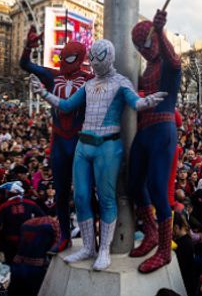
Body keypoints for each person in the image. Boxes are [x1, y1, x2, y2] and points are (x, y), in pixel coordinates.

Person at [30, 39, 167, 271]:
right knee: (81, 197)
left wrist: (148, 102)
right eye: (91, 60)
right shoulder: (89, 84)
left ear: (109, 58)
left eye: (97, 60)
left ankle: (104, 249)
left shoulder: (121, 83)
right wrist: (43, 93)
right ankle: (88, 247)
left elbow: (135, 102)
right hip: (83, 146)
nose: (93, 65)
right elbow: (65, 106)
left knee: (106, 199)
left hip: (108, 147)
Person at [19, 26, 92, 252]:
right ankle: (65, 236)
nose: (63, 62)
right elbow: (26, 65)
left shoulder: (90, 79)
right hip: (60, 140)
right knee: (61, 192)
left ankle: (90, 238)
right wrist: (28, 47)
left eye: (68, 58)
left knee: (84, 193)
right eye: (62, 57)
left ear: (80, 58)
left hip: (80, 141)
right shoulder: (53, 75)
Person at [128, 10, 184, 273]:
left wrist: (161, 32)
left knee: (158, 190)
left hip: (162, 127)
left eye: (146, 42)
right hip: (145, 131)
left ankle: (164, 250)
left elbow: (175, 62)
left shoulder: (167, 64)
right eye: (139, 46)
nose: (144, 48)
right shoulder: (149, 66)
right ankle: (151, 234)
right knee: (133, 184)